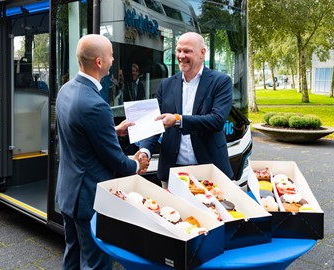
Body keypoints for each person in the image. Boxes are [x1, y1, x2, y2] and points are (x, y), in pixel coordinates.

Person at [55, 34, 149, 270]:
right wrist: (137, 165)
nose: (113, 59)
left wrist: (113, 130)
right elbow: (115, 160)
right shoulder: (96, 105)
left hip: (68, 192)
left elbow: (78, 135)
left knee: (72, 255)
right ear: (99, 62)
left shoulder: (66, 90)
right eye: (110, 55)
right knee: (96, 264)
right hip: (89, 199)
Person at [139, 32, 233, 188]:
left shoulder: (221, 82)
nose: (181, 56)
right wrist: (145, 151)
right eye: (178, 50)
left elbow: (217, 120)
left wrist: (178, 120)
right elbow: (155, 123)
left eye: (187, 51)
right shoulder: (166, 85)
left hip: (210, 170)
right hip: (172, 171)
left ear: (202, 53)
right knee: (172, 213)